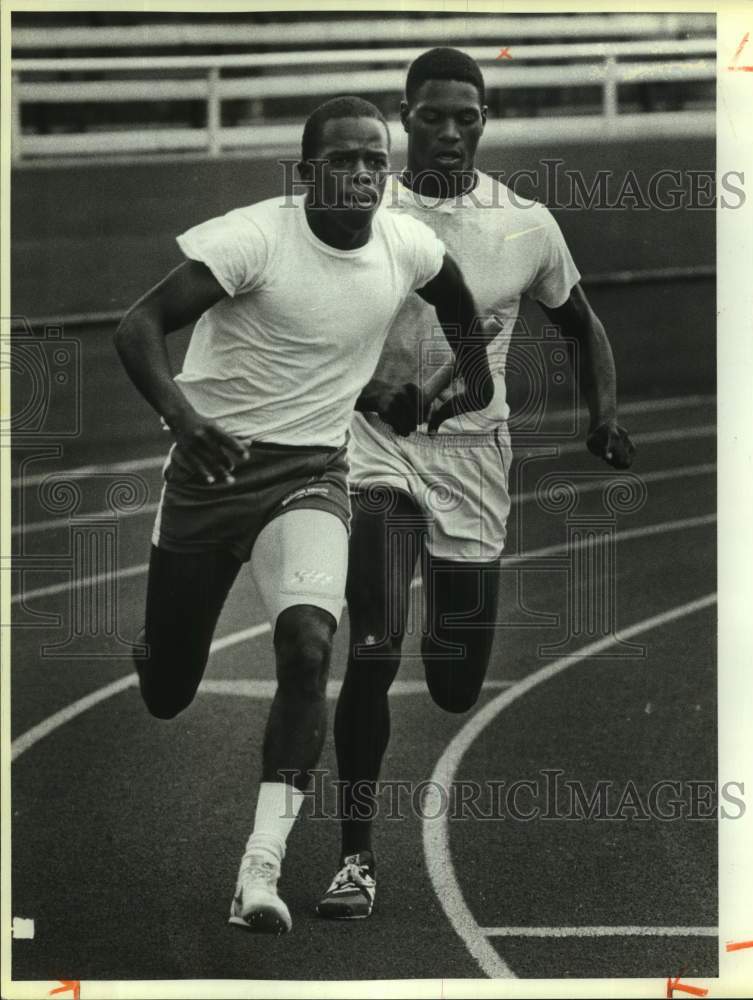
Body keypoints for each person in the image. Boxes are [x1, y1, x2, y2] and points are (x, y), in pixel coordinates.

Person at [113, 95, 492, 935]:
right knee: (168, 689)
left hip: (312, 478)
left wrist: (454, 386)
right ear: (306, 172)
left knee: (309, 643)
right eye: (341, 161)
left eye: (373, 161)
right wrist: (184, 419)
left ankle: (261, 866)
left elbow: (465, 312)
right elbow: (137, 326)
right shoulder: (251, 238)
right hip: (213, 473)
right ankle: (158, 640)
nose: (360, 174)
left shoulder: (407, 243)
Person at [316, 49, 635, 920]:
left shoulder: (525, 226)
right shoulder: (360, 212)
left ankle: (440, 639)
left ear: (484, 121)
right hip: (371, 447)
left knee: (455, 680)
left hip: (471, 461)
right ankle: (354, 860)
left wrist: (599, 415)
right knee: (373, 647)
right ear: (403, 116)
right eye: (431, 116)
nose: (450, 132)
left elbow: (583, 325)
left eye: (467, 116)